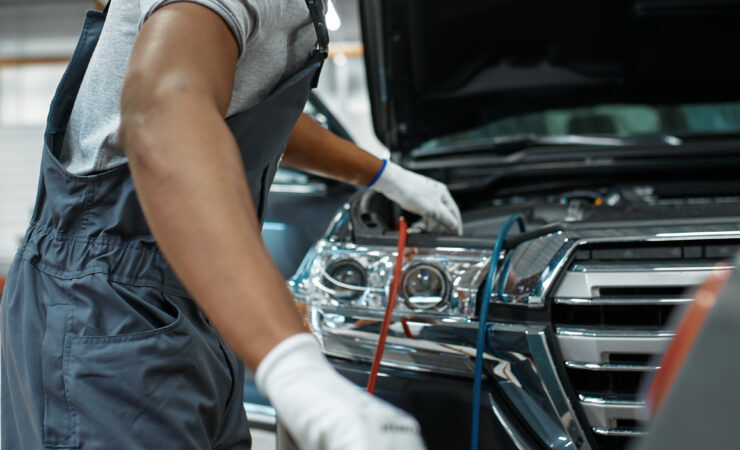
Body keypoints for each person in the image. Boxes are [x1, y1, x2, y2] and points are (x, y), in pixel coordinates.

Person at [0, 0, 462, 449]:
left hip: (182, 296)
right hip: (108, 298)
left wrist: (385, 175)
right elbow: (162, 112)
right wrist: (295, 367)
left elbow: (237, 104)